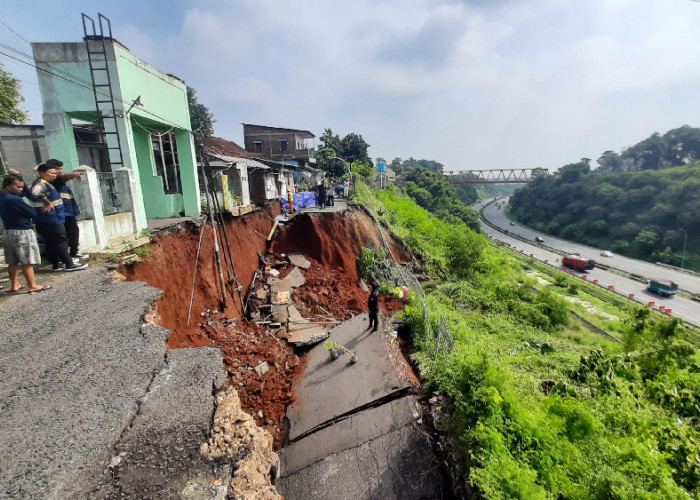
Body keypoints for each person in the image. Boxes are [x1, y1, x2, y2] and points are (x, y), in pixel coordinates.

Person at [31, 163, 87, 272]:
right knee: (61, 240)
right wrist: (47, 202)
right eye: (50, 173)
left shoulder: (47, 183)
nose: (53, 175)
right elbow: (35, 193)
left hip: (49, 218)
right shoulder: (40, 183)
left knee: (51, 242)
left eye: (54, 173)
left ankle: (56, 264)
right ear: (42, 173)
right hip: (51, 218)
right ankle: (69, 264)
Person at [0, 174, 51, 292]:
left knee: (12, 261)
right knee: (27, 260)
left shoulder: (2, 197)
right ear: (8, 186)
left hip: (8, 231)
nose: (20, 189)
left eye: (22, 187)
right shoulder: (14, 199)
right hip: (22, 232)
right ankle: (32, 286)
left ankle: (15, 284)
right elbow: (32, 213)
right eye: (17, 187)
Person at [47, 158, 87, 260]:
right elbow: (63, 178)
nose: (61, 171)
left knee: (73, 232)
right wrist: (74, 175)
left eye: (61, 169)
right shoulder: (54, 181)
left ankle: (74, 252)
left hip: (69, 212)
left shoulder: (61, 183)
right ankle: (65, 257)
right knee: (63, 236)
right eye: (58, 169)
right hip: (61, 213)